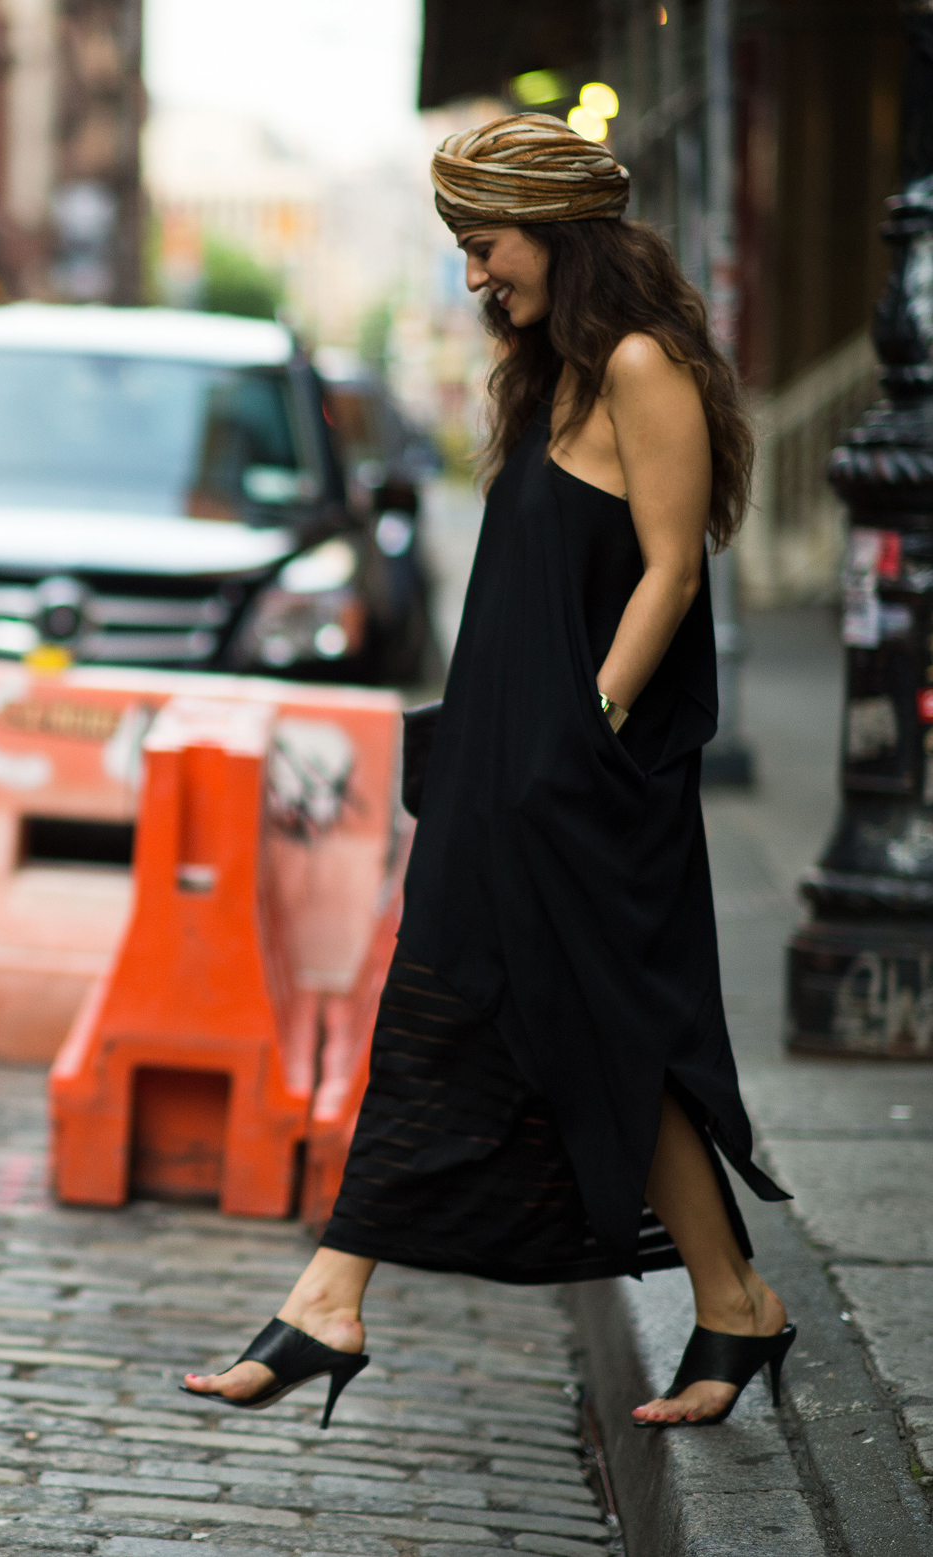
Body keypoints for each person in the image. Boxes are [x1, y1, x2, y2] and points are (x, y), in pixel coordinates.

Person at [179, 114, 792, 1431]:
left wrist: (592, 727)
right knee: (548, 1023)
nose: (474, 275)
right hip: (501, 761)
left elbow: (674, 568)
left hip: (578, 771)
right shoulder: (550, 374)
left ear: (559, 235)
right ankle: (731, 1297)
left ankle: (332, 1300)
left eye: (486, 245)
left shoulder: (641, 366)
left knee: (509, 1015)